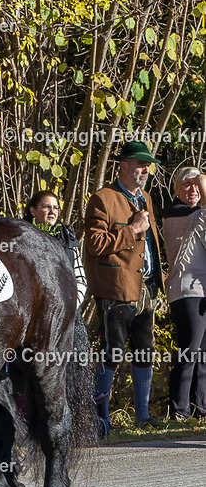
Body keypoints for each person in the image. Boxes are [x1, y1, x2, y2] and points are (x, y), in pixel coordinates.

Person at [85, 140, 163, 434]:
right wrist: (132, 230)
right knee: (113, 352)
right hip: (116, 288)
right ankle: (100, 419)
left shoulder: (146, 198)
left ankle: (143, 417)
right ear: (124, 166)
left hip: (147, 287)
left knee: (145, 351)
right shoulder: (103, 198)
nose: (145, 170)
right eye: (140, 165)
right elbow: (95, 245)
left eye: (147, 166)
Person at [162, 168, 206, 420]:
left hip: (203, 289)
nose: (193, 190)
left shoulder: (198, 213)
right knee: (189, 350)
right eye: (187, 184)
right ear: (177, 189)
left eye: (197, 185)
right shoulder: (177, 214)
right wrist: (204, 184)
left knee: (203, 353)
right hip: (187, 290)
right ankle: (179, 410)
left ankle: (201, 408)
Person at [24, 190, 87, 308]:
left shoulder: (67, 240)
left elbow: (80, 279)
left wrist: (71, 305)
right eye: (46, 207)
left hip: (66, 308)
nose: (52, 211)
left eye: (55, 208)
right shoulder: (21, 239)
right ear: (33, 211)